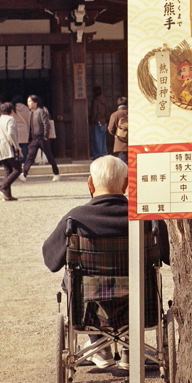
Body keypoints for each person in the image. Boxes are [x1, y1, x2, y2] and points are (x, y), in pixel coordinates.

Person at [42, 155, 169, 367]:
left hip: (90, 305)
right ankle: (130, 348)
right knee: (139, 279)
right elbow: (168, 256)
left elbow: (51, 261)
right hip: (140, 300)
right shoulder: (146, 217)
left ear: (90, 184)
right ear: (126, 184)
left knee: (73, 278)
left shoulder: (75, 219)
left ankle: (99, 346)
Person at [22, 94, 60, 181]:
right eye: (27, 102)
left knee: (49, 156)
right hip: (34, 139)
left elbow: (46, 124)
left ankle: (56, 173)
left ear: (35, 102)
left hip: (42, 138)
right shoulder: (30, 112)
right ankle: (24, 174)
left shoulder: (41, 111)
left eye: (30, 101)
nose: (28, 103)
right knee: (30, 156)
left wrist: (45, 136)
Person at [0, 102, 22, 201]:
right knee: (17, 169)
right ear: (11, 111)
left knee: (7, 170)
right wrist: (16, 146)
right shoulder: (10, 119)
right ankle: (3, 186)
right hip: (8, 146)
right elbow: (10, 133)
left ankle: (7, 194)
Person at [88, 85, 108, 159]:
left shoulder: (95, 101)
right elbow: (107, 112)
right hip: (103, 122)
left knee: (97, 140)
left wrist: (91, 121)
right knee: (103, 140)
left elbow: (94, 113)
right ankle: (104, 154)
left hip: (97, 122)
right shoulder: (104, 100)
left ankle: (98, 155)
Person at [107, 96, 128, 163]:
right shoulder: (131, 113)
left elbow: (110, 129)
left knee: (121, 164)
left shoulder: (114, 115)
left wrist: (117, 135)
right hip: (132, 143)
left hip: (119, 144)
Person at [13, 99, 31, 165]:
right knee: (24, 146)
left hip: (15, 128)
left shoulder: (12, 108)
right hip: (24, 128)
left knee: (15, 146)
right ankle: (23, 161)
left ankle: (16, 161)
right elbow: (29, 119)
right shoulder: (26, 108)